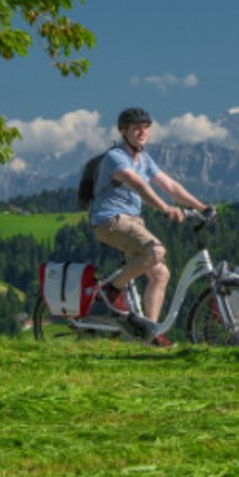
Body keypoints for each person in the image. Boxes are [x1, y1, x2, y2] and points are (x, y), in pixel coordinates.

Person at [86, 107, 211, 346]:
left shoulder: (143, 159)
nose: (142, 132)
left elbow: (169, 185)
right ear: (124, 131)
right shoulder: (116, 157)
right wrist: (165, 208)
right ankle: (111, 291)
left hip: (132, 221)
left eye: (145, 127)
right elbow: (139, 185)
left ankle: (150, 333)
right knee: (156, 252)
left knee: (161, 274)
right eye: (136, 127)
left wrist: (202, 207)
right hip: (110, 220)